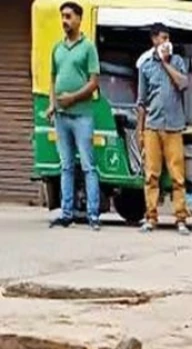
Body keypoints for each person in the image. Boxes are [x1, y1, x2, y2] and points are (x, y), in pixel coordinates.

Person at [48, 1, 101, 230]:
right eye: (62, 17)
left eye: (69, 16)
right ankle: (66, 213)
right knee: (66, 166)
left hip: (82, 116)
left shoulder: (88, 47)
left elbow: (93, 83)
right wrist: (53, 104)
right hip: (61, 116)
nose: (64, 21)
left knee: (88, 166)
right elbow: (52, 79)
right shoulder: (57, 48)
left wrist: (73, 98)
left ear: (79, 19)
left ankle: (93, 215)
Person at [138, 24, 191, 235]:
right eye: (163, 38)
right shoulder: (146, 66)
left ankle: (181, 219)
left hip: (174, 126)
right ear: (154, 40)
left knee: (178, 176)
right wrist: (139, 131)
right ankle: (151, 218)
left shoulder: (177, 61)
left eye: (168, 38)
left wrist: (165, 63)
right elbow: (141, 101)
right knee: (151, 175)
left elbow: (183, 84)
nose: (166, 42)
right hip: (153, 126)